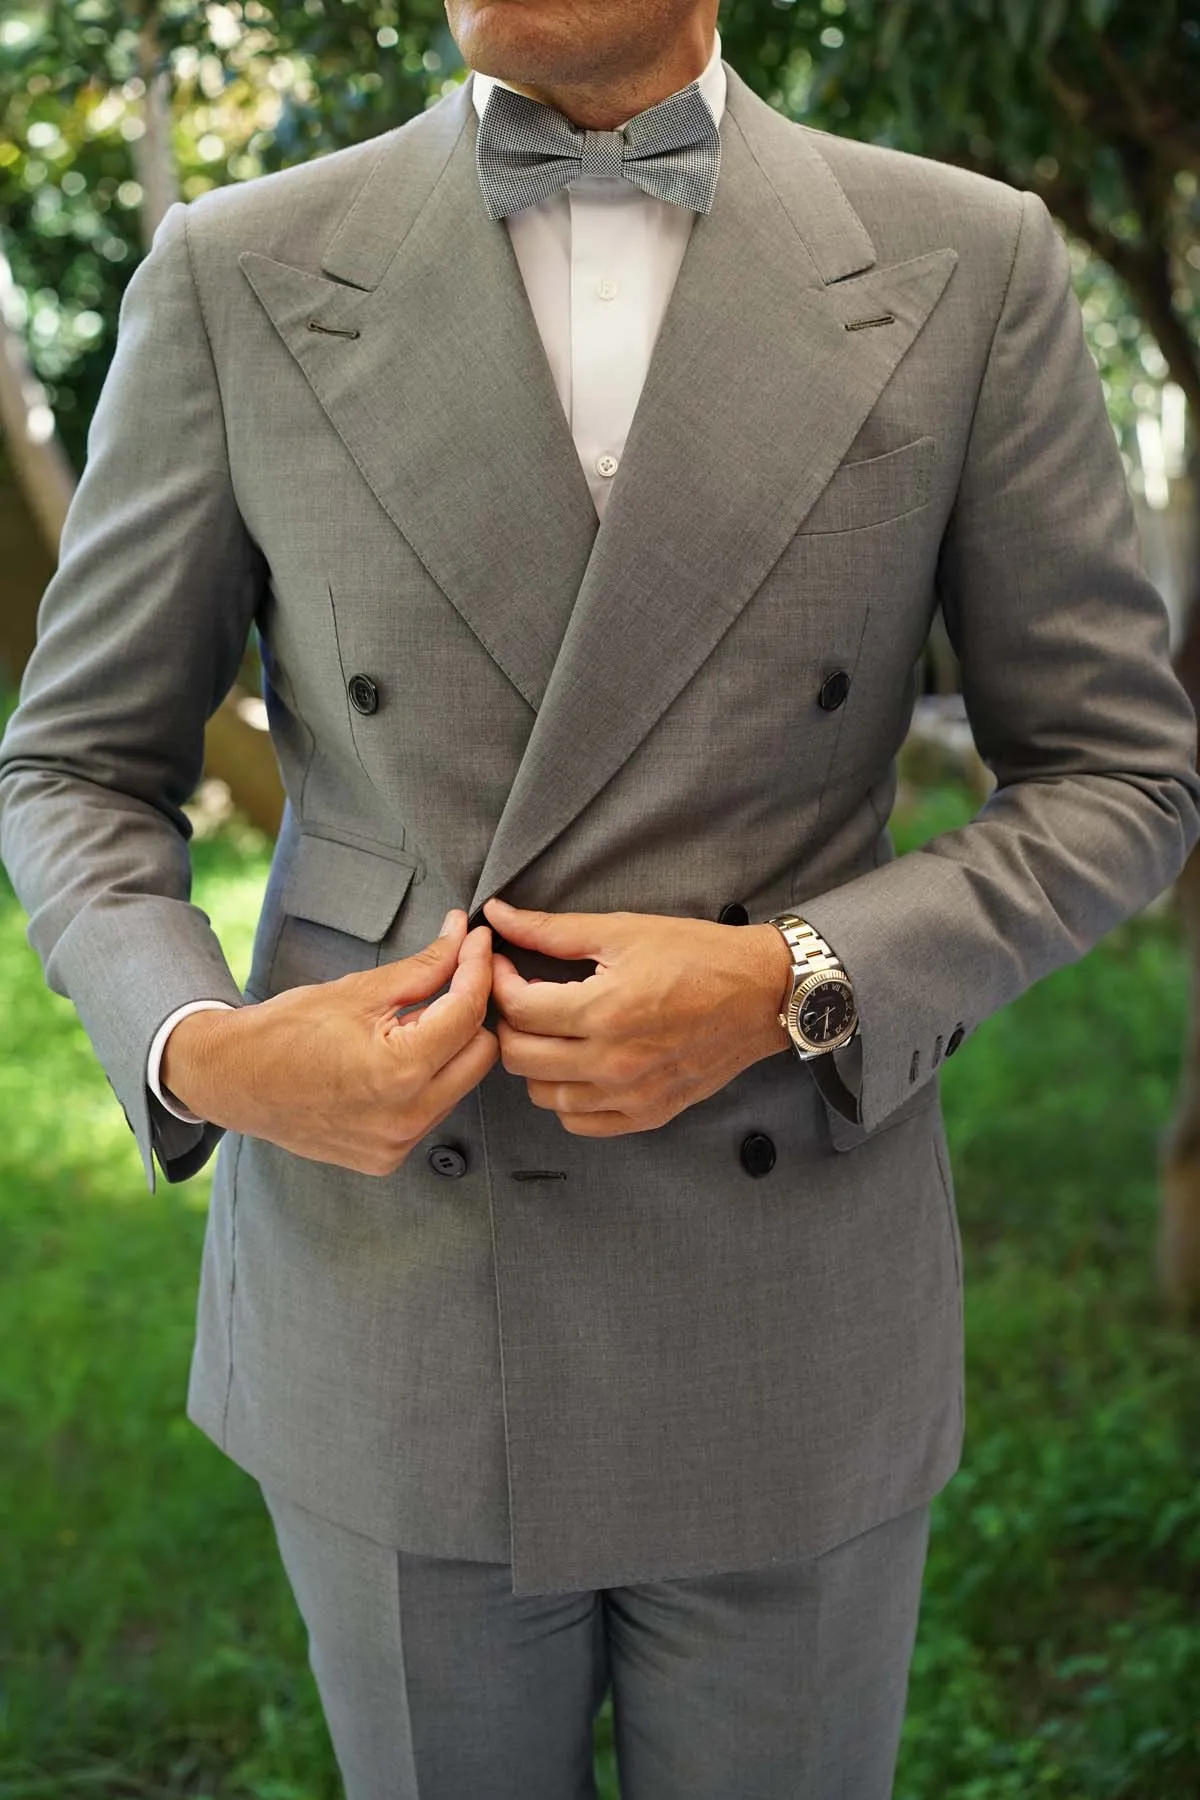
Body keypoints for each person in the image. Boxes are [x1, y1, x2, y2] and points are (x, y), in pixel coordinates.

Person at [2, 0, 1198, 1793]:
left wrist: (793, 977)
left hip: (793, 1306)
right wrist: (209, 1051)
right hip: (393, 1297)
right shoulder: (235, 271)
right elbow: (74, 765)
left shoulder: (966, 261)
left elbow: (1124, 775)